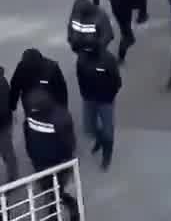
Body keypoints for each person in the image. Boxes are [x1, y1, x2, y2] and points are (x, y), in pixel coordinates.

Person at [24, 89, 79, 220]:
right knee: (64, 188)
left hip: (41, 163)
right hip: (60, 162)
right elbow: (69, 142)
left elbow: (28, 140)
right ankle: (72, 210)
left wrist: (33, 156)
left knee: (50, 189)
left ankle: (55, 211)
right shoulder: (61, 116)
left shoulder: (30, 119)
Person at [76, 45, 122, 170]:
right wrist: (84, 93)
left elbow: (117, 81)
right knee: (89, 127)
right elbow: (79, 76)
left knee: (108, 130)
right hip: (89, 99)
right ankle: (100, 139)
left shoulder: (108, 59)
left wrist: (109, 96)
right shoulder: (82, 59)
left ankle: (107, 155)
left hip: (105, 100)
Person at [10, 49, 68, 115]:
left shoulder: (23, 66)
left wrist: (12, 105)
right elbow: (15, 87)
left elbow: (15, 87)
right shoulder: (51, 65)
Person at [0, 66, 17, 183]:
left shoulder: (2, 85)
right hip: (5, 123)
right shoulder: (3, 81)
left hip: (2, 125)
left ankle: (13, 176)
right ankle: (13, 175)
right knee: (7, 151)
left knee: (7, 151)